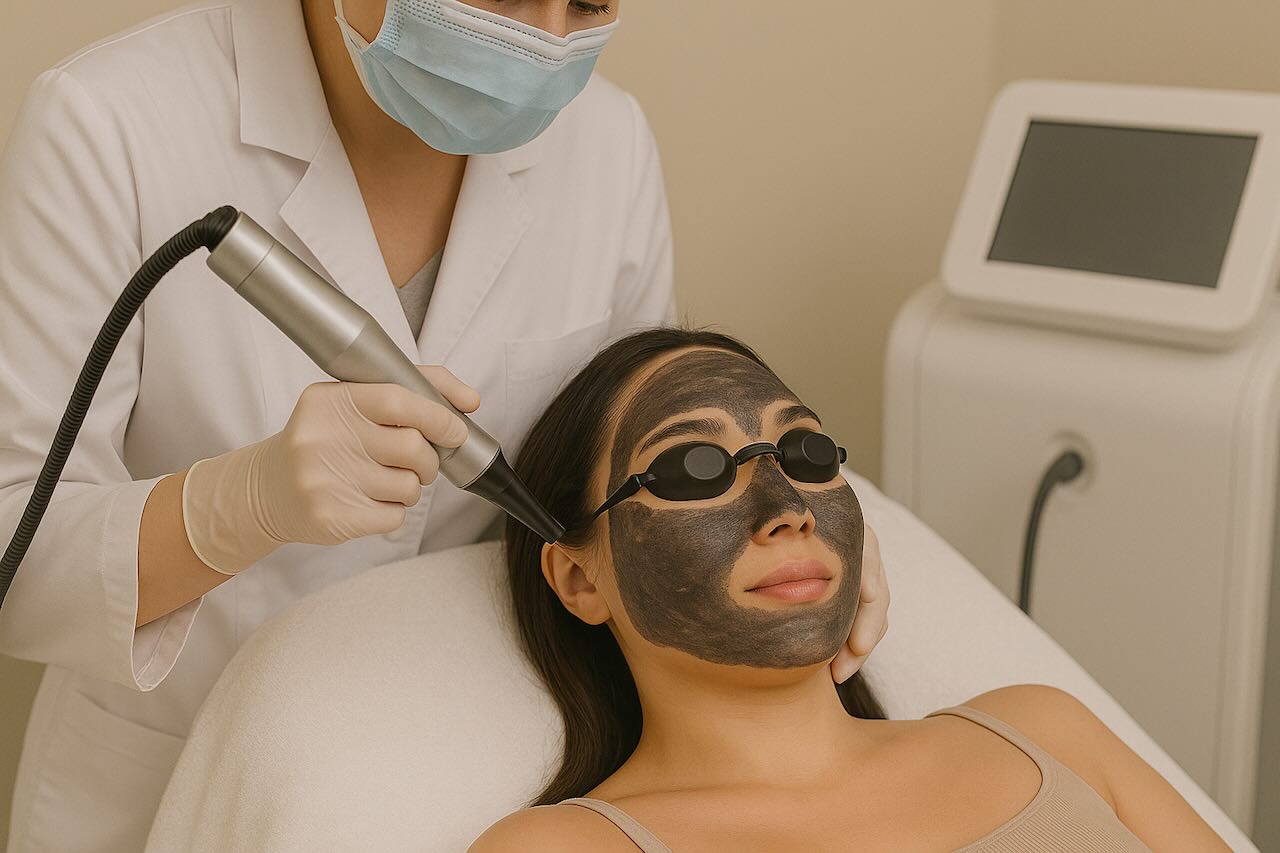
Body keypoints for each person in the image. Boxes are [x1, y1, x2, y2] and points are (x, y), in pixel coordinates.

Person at [0, 1, 890, 848]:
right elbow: (12, 556)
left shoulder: (608, 145)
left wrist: (793, 516)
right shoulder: (110, 123)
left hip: (493, 770)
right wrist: (234, 506)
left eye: (586, 5)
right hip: (185, 783)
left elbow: (629, 457)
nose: (542, 45)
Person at [469, 326, 1229, 852]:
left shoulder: (1042, 728)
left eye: (804, 453)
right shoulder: (563, 845)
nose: (788, 509)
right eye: (694, 467)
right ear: (577, 577)